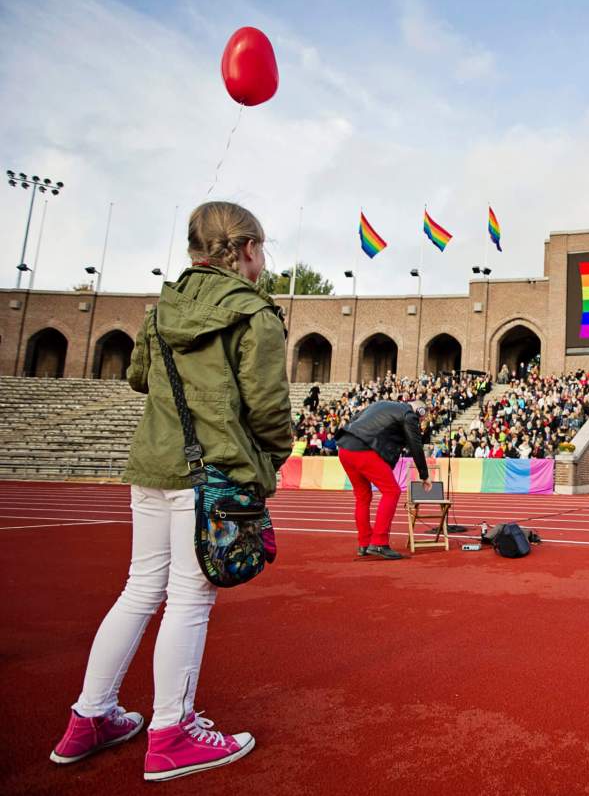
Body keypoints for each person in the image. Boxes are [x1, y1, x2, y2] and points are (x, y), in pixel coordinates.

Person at [52, 202, 292, 781]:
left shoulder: (162, 310)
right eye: (261, 251)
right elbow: (268, 409)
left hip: (154, 463)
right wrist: (271, 461)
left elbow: (138, 377)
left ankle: (91, 715)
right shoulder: (254, 313)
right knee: (189, 600)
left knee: (139, 591)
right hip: (211, 476)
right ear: (249, 249)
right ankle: (171, 732)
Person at [335, 400, 432, 559]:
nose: (420, 422)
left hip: (345, 448)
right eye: (422, 418)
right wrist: (424, 475)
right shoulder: (409, 414)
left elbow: (354, 420)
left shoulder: (380, 404)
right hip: (364, 451)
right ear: (420, 411)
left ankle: (364, 543)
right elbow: (415, 444)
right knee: (391, 491)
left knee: (362, 496)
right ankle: (379, 543)